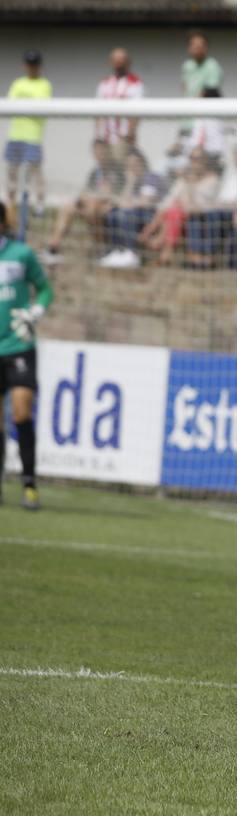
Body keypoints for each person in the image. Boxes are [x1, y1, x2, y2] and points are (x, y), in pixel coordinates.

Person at [0, 202, 54, 510]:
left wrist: (35, 311)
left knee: (21, 412)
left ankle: (29, 483)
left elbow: (45, 290)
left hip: (19, 346)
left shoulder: (21, 255)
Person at [5, 51, 51, 212]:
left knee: (36, 174)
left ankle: (40, 206)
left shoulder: (44, 84)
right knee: (12, 173)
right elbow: (11, 105)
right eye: (29, 64)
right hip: (15, 135)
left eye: (35, 64)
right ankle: (10, 205)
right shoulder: (18, 83)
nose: (32, 68)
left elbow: (39, 107)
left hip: (33, 137)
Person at [95, 47, 144, 155]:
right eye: (115, 60)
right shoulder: (104, 83)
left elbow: (136, 113)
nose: (118, 63)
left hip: (123, 138)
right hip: (105, 139)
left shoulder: (135, 83)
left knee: (121, 169)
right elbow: (97, 112)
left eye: (122, 60)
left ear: (128, 62)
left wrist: (130, 135)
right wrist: (98, 136)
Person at [181, 31, 222, 100]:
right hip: (189, 106)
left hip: (206, 107)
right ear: (189, 48)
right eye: (194, 45)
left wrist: (197, 106)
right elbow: (185, 87)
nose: (198, 48)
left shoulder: (212, 65)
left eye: (200, 45)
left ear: (206, 47)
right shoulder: (187, 65)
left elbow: (211, 90)